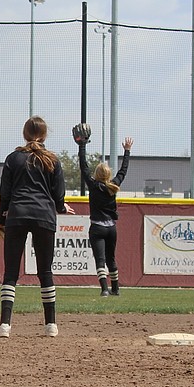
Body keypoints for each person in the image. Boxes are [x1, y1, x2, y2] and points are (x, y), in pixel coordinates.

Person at [0, 117, 73, 338]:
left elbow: (5, 194)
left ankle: (5, 326)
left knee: (10, 272)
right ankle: (51, 325)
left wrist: (1, 220)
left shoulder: (13, 158)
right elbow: (58, 196)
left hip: (17, 214)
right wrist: (61, 207)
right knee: (45, 271)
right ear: (45, 135)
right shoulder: (52, 160)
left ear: (24, 134)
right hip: (44, 216)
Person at [74, 124, 132, 297]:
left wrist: (82, 146)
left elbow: (83, 167)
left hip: (97, 227)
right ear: (108, 175)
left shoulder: (93, 186)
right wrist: (127, 151)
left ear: (97, 174)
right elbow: (123, 171)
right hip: (111, 228)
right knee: (111, 258)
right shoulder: (113, 186)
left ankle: (104, 289)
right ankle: (116, 288)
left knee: (100, 259)